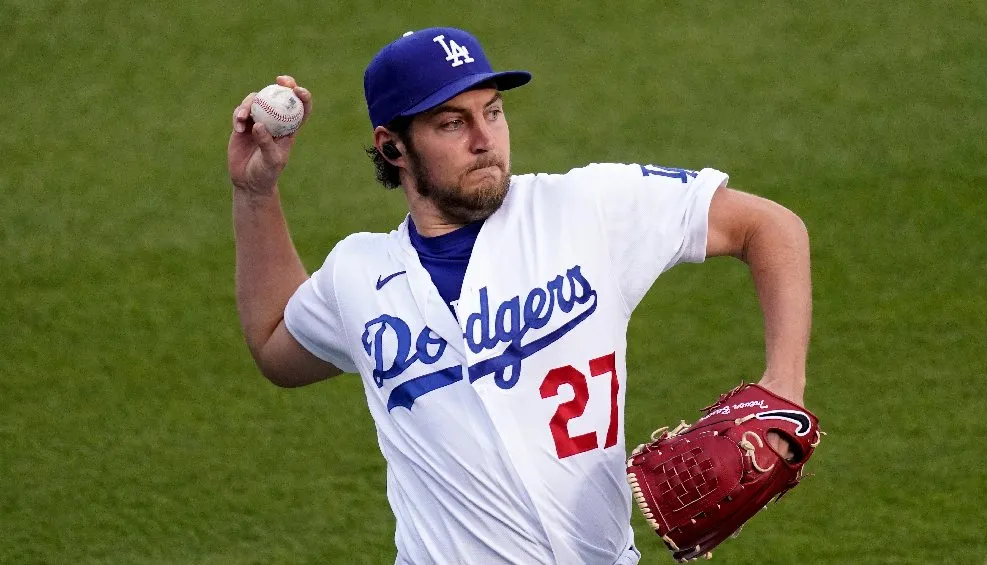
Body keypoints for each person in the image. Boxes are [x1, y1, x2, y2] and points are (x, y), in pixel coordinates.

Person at [227, 27, 811, 565]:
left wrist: (781, 384)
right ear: (394, 147)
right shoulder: (357, 273)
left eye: (494, 112)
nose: (486, 140)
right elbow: (277, 348)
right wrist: (256, 193)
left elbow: (769, 227)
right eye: (452, 123)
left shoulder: (587, 209)